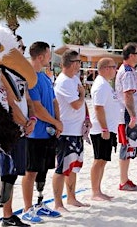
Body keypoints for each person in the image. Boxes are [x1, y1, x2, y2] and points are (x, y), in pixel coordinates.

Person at [22, 41, 62, 222]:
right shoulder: (31, 78)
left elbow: (53, 101)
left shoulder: (45, 76)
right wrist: (55, 122)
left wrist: (57, 123)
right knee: (31, 171)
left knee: (43, 170)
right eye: (48, 54)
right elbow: (36, 108)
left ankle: (39, 204)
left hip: (48, 132)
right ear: (40, 56)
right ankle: (27, 208)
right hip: (34, 134)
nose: (50, 57)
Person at [0, 35, 35, 227]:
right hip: (10, 130)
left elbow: (27, 100)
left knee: (15, 172)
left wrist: (32, 119)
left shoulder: (21, 73)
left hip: (23, 128)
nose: (22, 50)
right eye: (19, 46)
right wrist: (25, 121)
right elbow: (10, 105)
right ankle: (6, 215)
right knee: (7, 174)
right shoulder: (1, 72)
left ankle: (9, 215)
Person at [53, 50, 90, 212]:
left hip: (76, 129)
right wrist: (82, 94)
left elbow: (82, 104)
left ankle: (71, 197)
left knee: (73, 167)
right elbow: (76, 103)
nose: (80, 65)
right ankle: (58, 203)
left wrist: (87, 118)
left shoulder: (74, 79)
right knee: (61, 168)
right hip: (66, 130)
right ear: (73, 63)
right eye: (79, 62)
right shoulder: (64, 81)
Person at [90, 58, 121, 200]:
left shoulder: (105, 84)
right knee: (99, 160)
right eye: (114, 67)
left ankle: (98, 190)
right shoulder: (101, 85)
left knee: (103, 160)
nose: (116, 70)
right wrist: (104, 129)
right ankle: (95, 192)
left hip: (107, 128)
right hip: (101, 130)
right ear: (106, 68)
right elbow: (98, 107)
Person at [115, 42, 137, 191]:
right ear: (131, 55)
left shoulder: (130, 70)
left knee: (130, 146)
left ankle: (125, 179)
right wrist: (132, 116)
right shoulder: (127, 71)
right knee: (126, 146)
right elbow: (128, 95)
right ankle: (123, 181)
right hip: (127, 114)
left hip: (131, 113)